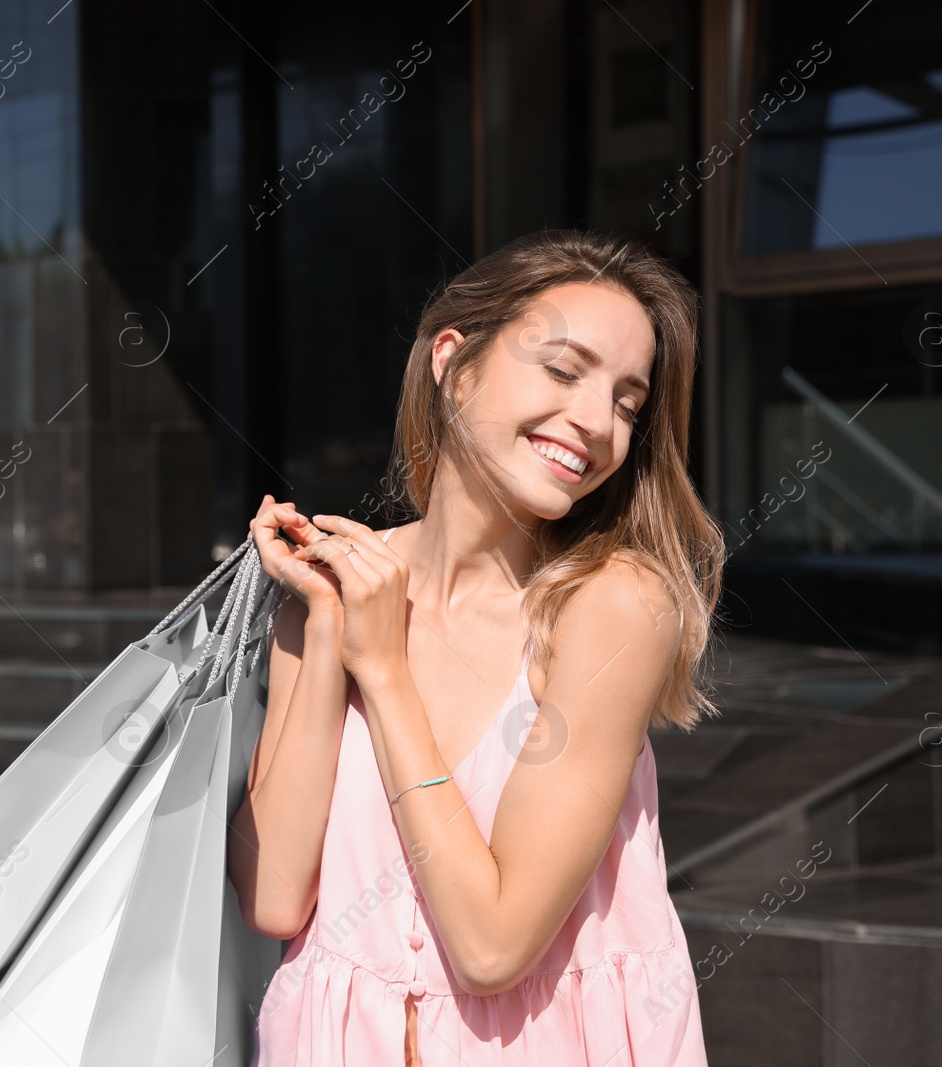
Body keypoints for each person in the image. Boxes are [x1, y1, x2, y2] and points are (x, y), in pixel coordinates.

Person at [228, 229, 722, 1065]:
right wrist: (323, 627)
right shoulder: (335, 591)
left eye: (629, 402)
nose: (597, 422)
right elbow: (277, 899)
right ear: (454, 364)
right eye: (564, 371)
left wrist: (382, 671)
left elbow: (493, 947)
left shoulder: (611, 606)